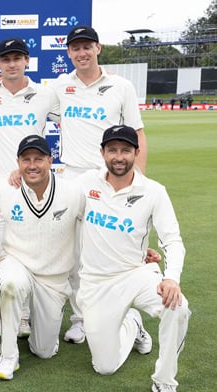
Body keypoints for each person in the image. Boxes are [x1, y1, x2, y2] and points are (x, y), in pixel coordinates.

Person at [49, 25, 148, 344]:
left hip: (113, 177)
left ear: (98, 48)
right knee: (78, 254)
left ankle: (129, 318)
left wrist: (137, 182)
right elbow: (25, 96)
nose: (81, 53)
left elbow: (138, 134)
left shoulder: (121, 86)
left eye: (87, 47)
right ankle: (80, 318)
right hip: (74, 178)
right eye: (75, 48)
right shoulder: (61, 86)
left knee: (117, 251)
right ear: (68, 53)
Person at [76, 125, 190, 392]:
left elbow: (172, 239)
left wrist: (171, 278)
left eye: (126, 150)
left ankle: (164, 380)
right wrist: (16, 175)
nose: (119, 157)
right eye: (113, 150)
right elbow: (49, 187)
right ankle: (133, 323)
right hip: (96, 282)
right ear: (102, 152)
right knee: (104, 367)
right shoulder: (85, 183)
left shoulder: (154, 191)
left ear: (136, 153)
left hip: (136, 274)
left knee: (178, 306)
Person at [0, 135, 84, 380]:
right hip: (16, 262)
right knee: (10, 284)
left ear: (50, 160)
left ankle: (42, 338)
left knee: (43, 351)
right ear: (17, 162)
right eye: (25, 159)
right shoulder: (4, 188)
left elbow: (100, 224)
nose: (32, 165)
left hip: (53, 278)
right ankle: (8, 356)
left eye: (38, 159)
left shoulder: (72, 192)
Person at [0, 37, 59, 336]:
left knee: (28, 253)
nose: (11, 64)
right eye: (6, 59)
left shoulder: (45, 95)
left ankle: (23, 316)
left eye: (17, 58)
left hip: (33, 185)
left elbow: (75, 114)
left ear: (27, 61)